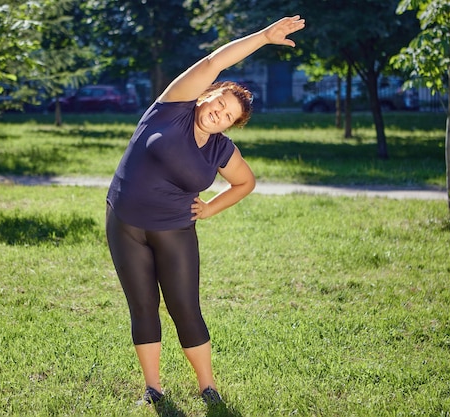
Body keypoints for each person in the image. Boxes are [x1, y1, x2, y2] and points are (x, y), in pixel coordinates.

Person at [105, 15, 305, 406]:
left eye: (229, 116)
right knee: (143, 305)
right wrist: (264, 37)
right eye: (221, 103)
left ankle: (207, 386)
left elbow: (245, 182)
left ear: (229, 125)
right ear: (207, 95)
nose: (220, 114)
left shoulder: (219, 150)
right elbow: (216, 61)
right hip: (125, 223)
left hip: (174, 231)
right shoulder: (172, 107)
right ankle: (153, 388)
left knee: (184, 308)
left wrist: (211, 209)